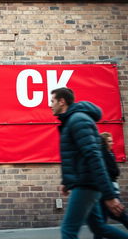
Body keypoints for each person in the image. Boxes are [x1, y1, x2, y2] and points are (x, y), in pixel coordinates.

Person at [50, 87, 128, 239]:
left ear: (62, 101)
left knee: (68, 230)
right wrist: (67, 181)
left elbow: (94, 157)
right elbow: (76, 157)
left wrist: (109, 195)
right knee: (99, 228)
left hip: (86, 185)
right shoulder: (72, 121)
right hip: (85, 183)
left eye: (52, 101)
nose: (50, 105)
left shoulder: (78, 120)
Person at [94, 132, 128, 239]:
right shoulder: (103, 155)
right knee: (102, 222)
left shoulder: (110, 154)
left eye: (112, 140)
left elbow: (115, 172)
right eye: (109, 141)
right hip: (107, 191)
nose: (112, 143)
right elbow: (111, 172)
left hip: (111, 191)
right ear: (104, 143)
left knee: (102, 223)